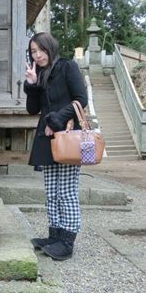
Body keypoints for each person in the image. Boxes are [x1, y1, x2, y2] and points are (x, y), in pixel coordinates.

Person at [24, 32, 88, 261]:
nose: (37, 55)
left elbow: (81, 99)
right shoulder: (38, 74)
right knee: (51, 191)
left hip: (68, 135)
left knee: (67, 192)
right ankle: (54, 235)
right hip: (47, 139)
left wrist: (56, 119)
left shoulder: (67, 66)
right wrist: (31, 85)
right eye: (33, 51)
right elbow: (32, 109)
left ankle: (67, 242)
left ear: (50, 48)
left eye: (41, 49)